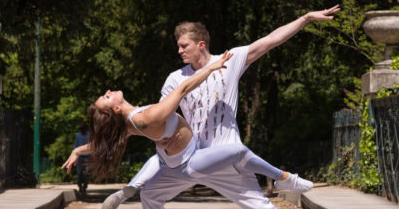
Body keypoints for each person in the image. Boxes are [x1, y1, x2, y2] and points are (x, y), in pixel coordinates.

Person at [102, 6, 340, 209]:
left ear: (200, 44)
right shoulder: (174, 79)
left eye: (184, 45)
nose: (180, 51)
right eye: (178, 46)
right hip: (190, 160)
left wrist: (305, 19)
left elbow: (270, 41)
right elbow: (160, 117)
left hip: (227, 160)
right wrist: (163, 138)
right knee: (151, 196)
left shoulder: (230, 60)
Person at [62, 51, 311, 195]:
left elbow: (103, 144)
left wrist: (77, 150)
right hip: (187, 157)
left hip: (175, 155)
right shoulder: (144, 118)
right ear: (115, 108)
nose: (108, 90)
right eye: (106, 97)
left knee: (157, 161)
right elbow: (182, 89)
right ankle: (283, 177)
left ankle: (135, 186)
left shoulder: (127, 124)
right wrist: (212, 67)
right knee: (237, 151)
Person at [74, 122, 90, 194]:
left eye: (83, 129)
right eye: (80, 129)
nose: (81, 130)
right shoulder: (78, 135)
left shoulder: (89, 135)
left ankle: (85, 187)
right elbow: (75, 146)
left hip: (88, 156)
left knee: (86, 173)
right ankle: (80, 186)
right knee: (79, 172)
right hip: (80, 157)